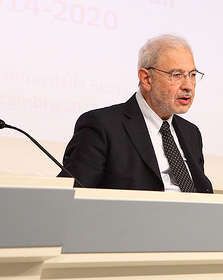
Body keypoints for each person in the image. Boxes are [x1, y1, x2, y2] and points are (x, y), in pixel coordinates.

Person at [58, 34, 213, 193]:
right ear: (146, 79)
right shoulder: (102, 127)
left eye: (192, 75)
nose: (188, 86)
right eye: (177, 75)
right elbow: (68, 198)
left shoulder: (191, 133)